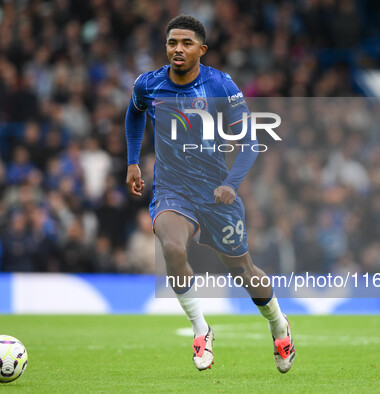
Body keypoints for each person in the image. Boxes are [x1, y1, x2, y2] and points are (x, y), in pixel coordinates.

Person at [124, 15, 295, 373]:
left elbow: (249, 142)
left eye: (186, 43)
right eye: (172, 43)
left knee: (243, 271)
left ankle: (279, 325)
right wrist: (132, 161)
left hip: (215, 192)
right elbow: (134, 113)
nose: (178, 49)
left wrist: (230, 185)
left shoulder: (220, 86)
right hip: (172, 189)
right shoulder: (149, 84)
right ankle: (201, 330)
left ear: (202, 49)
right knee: (171, 247)